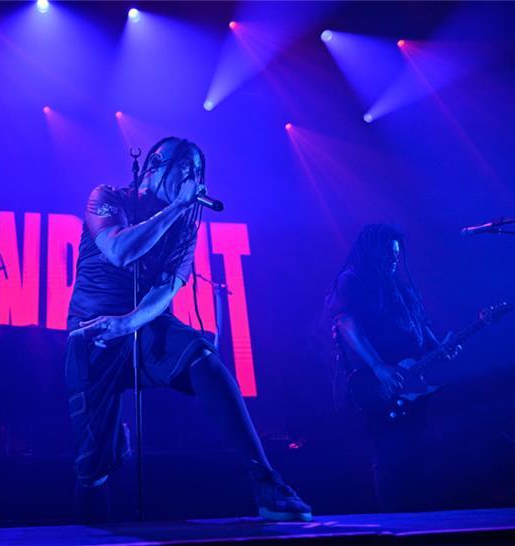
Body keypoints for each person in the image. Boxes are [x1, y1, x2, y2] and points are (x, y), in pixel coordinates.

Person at [65, 137, 311, 522]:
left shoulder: (184, 224)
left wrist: (129, 322)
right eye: (188, 169)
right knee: (93, 467)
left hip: (139, 325)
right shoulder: (106, 196)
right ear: (156, 165)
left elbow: (167, 288)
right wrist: (177, 207)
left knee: (201, 355)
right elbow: (118, 251)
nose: (194, 179)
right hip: (92, 334)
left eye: (199, 172)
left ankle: (266, 483)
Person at [326, 224, 452, 512]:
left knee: (417, 451)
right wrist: (378, 366)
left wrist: (442, 348)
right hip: (377, 382)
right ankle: (395, 523)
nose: (394, 259)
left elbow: (420, 329)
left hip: (411, 382)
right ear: (373, 252)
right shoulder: (352, 280)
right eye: (388, 253)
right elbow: (346, 323)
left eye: (397, 254)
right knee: (389, 452)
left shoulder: (399, 289)